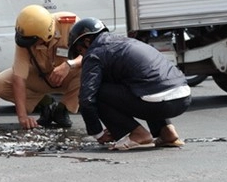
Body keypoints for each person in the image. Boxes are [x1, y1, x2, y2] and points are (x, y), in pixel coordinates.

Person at [68, 17, 191, 150]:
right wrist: (115, 124)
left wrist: (97, 133)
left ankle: (138, 134)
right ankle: (167, 132)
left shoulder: (94, 54)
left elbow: (86, 99)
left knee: (98, 92)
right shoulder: (125, 42)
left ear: (87, 41)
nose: (82, 55)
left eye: (80, 51)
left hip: (157, 102)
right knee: (146, 87)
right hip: (183, 97)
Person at [0, 5, 83, 130]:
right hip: (42, 77)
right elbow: (19, 78)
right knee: (0, 84)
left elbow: (91, 54)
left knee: (88, 71)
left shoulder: (70, 24)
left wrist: (69, 64)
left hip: (69, 76)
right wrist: (22, 117)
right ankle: (46, 103)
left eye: (33, 41)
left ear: (46, 36)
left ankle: (62, 109)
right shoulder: (25, 36)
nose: (30, 45)